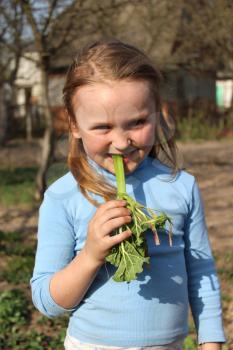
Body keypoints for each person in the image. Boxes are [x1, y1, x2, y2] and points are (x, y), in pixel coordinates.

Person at [31, 40, 226, 350]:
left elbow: (201, 271)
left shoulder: (181, 186)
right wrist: (91, 255)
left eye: (137, 122)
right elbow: (48, 303)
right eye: (103, 127)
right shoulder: (63, 197)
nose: (121, 143)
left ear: (157, 113)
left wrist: (211, 341)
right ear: (74, 125)